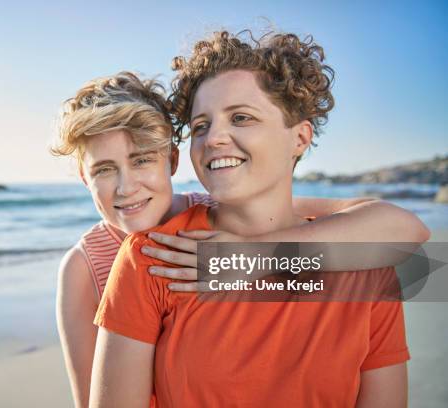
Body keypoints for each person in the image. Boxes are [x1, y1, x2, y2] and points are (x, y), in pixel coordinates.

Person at [90, 31, 418, 407]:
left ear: (299, 137)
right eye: (201, 126)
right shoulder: (156, 257)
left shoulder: (366, 263)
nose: (214, 138)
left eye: (241, 117)